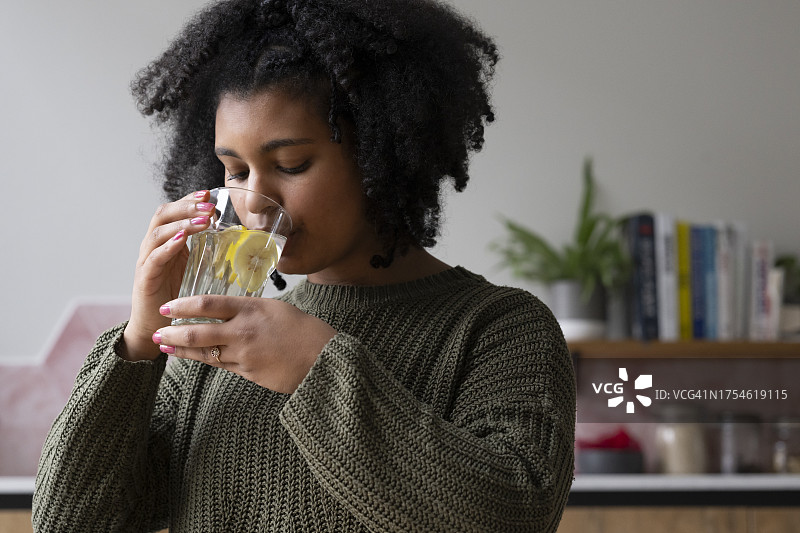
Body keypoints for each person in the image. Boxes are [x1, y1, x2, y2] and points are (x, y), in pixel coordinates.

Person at [33, 0, 576, 531]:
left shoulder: (499, 329)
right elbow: (68, 521)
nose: (251, 200)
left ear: (383, 152)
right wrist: (139, 342)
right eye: (235, 170)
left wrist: (317, 370)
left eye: (290, 164)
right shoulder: (216, 348)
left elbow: (513, 515)